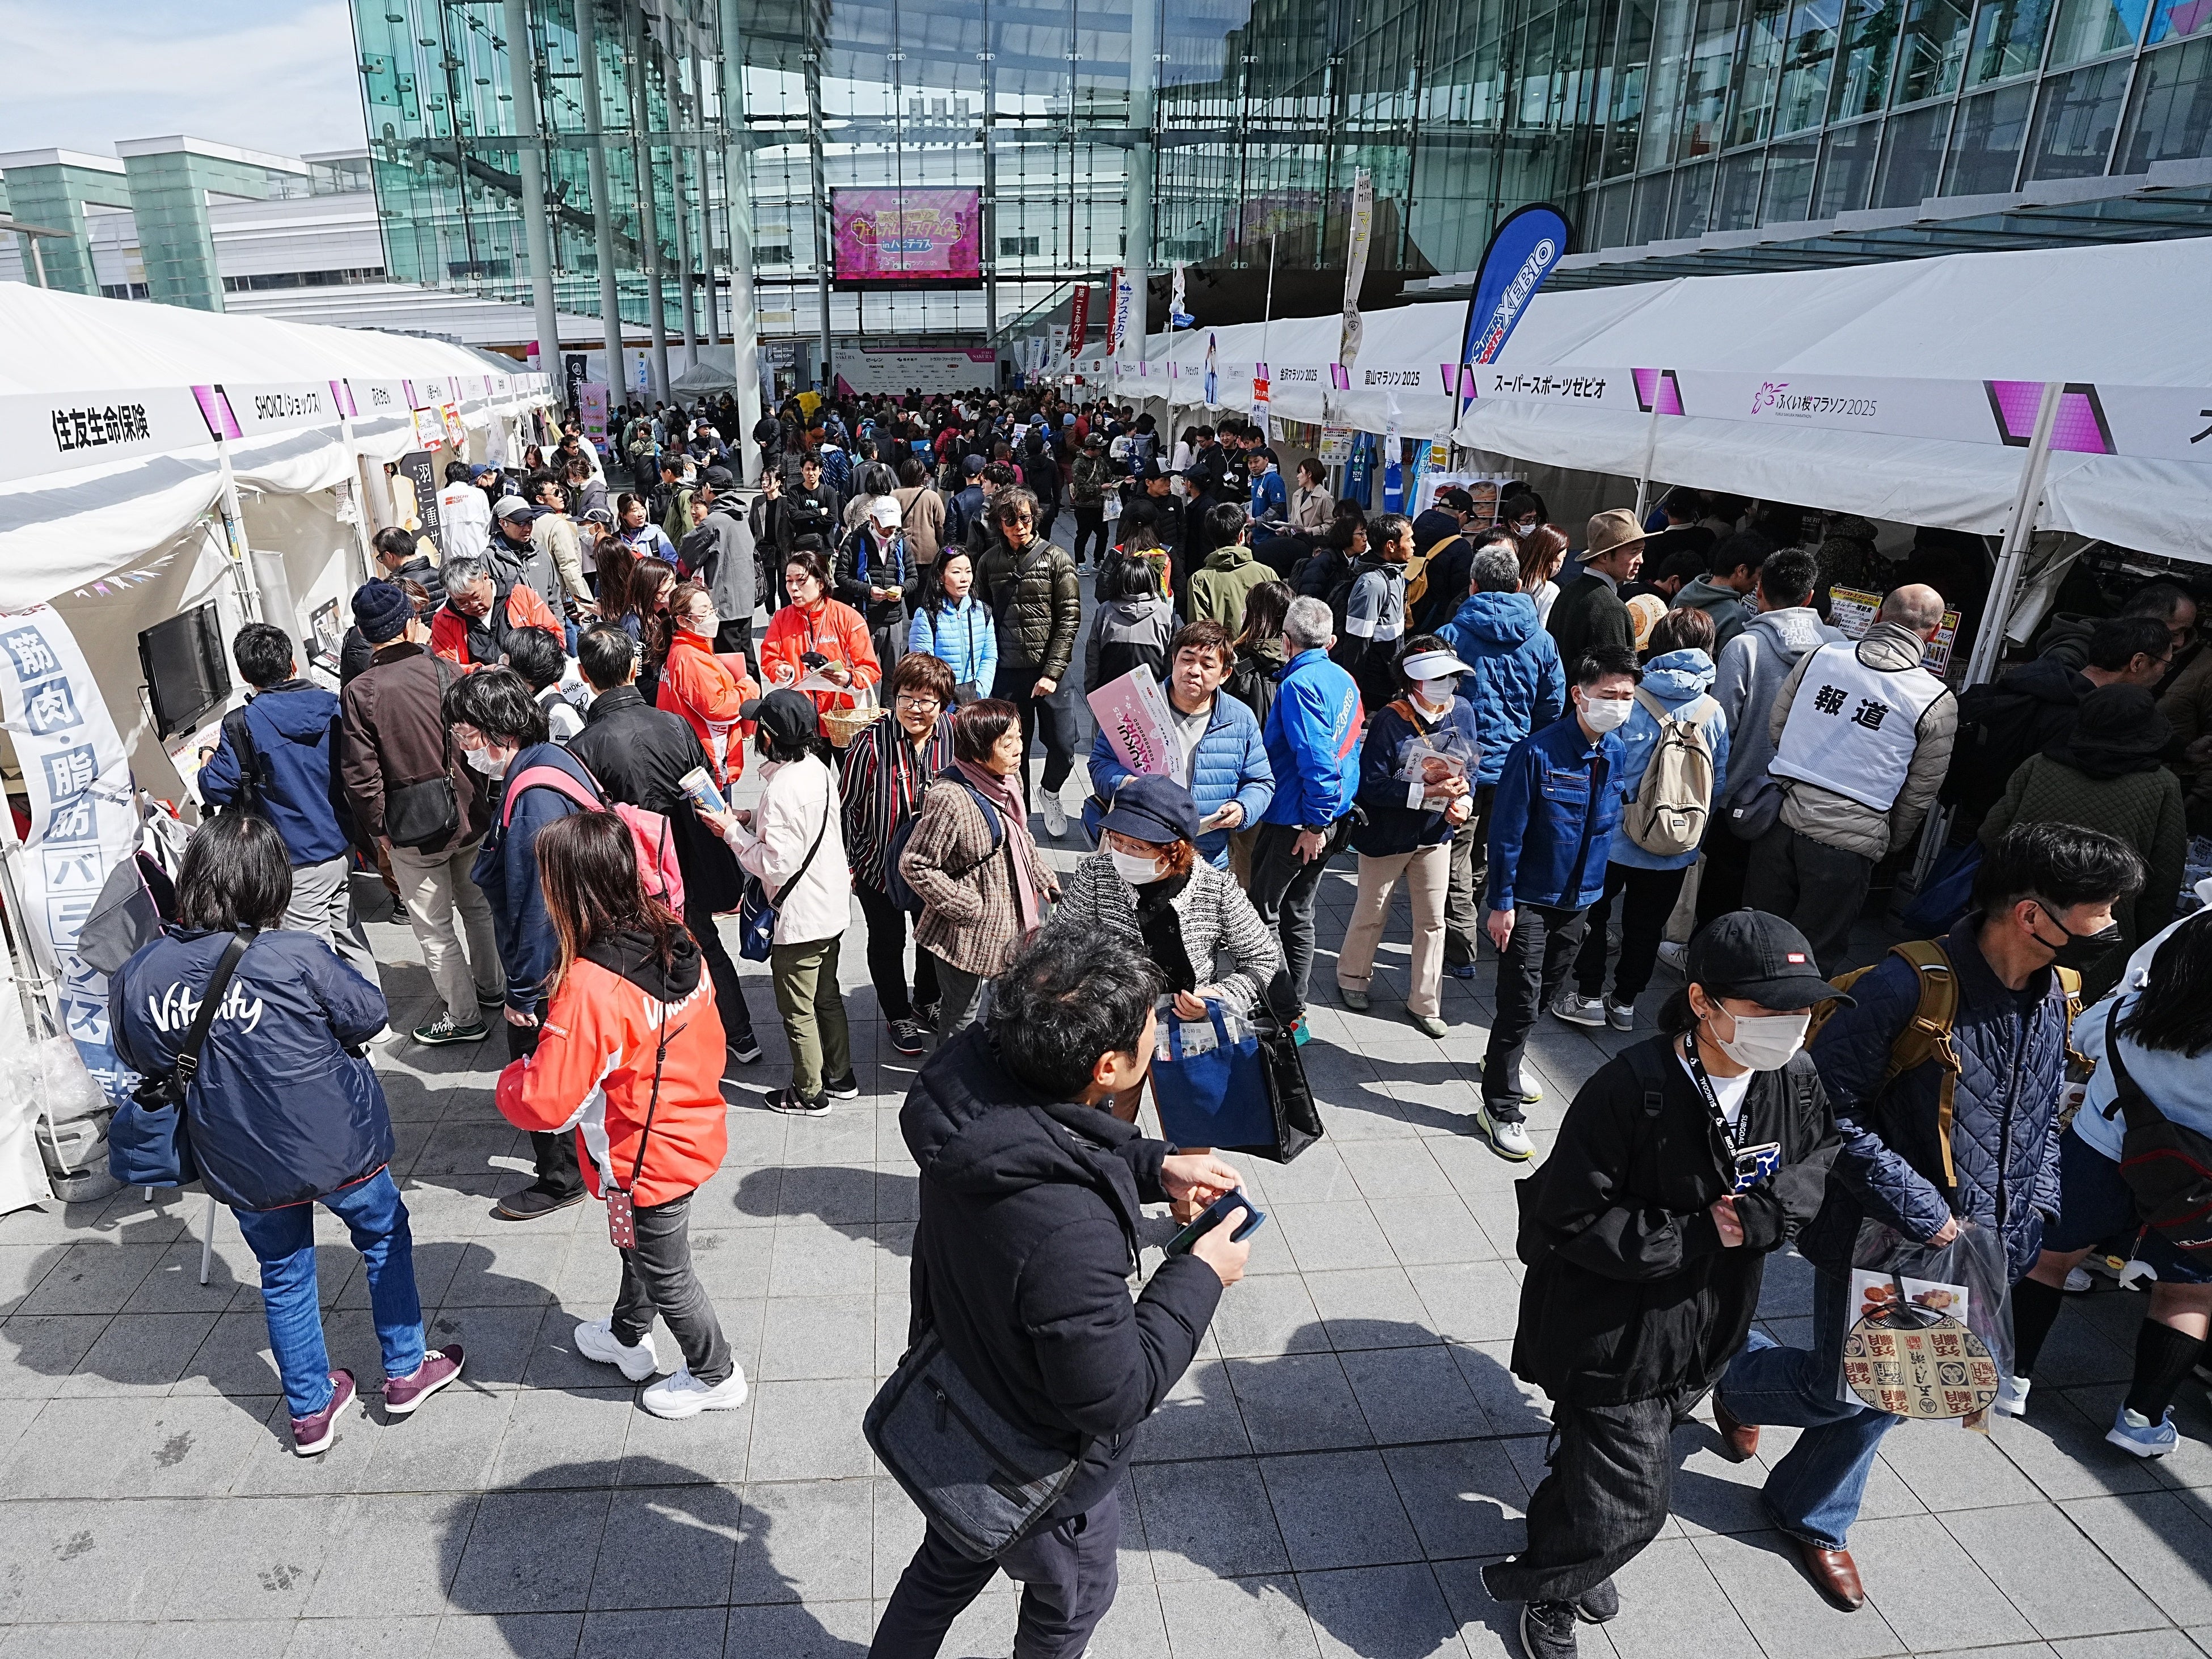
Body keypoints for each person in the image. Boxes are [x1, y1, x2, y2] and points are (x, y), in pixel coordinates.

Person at [1714, 822, 2142, 1612]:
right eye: (2101, 909)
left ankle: (1810, 1512)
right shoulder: (1907, 986)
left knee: (1896, 1387)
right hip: (1881, 1229)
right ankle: (1733, 1374)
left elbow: (2043, 1111)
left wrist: (2037, 1206)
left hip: (1982, 1242)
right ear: (2031, 915)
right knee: (1843, 1388)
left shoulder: (2058, 989)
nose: (2111, 925)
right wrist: (1925, 1210)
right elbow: (1826, 1107)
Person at [873, 929, 1252, 1659]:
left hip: (958, 1389)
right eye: (1148, 1029)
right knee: (1070, 1604)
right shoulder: (1069, 1233)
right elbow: (1112, 1394)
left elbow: (1048, 1139)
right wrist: (1202, 1272)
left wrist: (1153, 1166)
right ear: (1107, 1068)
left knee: (942, 1570)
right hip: (1040, 1466)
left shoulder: (966, 1081)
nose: (1155, 1035)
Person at [1488, 909, 1841, 1656]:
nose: (1789, 1027)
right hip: (1615, 1331)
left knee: (1601, 1471)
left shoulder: (1794, 1078)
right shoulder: (1629, 1088)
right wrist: (1703, 1231)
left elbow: (1820, 1155)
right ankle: (1550, 1586)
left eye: (1802, 1009)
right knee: (1635, 1508)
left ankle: (1578, 1528)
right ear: (1703, 1002)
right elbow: (1569, 1218)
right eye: (1767, 1009)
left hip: (1714, 1323)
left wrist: (1769, 1214)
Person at [109, 813, 462, 1455]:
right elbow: (368, 1014)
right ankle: (406, 1368)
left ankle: (309, 1410)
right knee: (384, 1236)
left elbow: (139, 1054)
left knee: (283, 1270)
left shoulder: (144, 971)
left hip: (237, 1150)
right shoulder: (296, 955)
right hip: (336, 1138)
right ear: (272, 884)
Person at [493, 811, 746, 1417]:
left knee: (668, 1273)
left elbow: (548, 1103)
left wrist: (511, 1078)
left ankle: (715, 1373)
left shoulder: (590, 985)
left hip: (641, 1153)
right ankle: (628, 1336)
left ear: (568, 888)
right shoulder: (671, 935)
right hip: (685, 1125)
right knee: (641, 1250)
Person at [2004, 908, 2212, 1451]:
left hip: (2100, 1156)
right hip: (2195, 1187)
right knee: (2185, 1295)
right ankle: (2141, 1420)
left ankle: (2011, 1378)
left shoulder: (2131, 1012)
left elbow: (2082, 1036)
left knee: (2049, 1260)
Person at [567, 624, 763, 1075]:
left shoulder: (583, 747)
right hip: (689, 861)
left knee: (641, 959)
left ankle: (670, 1046)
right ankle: (741, 1034)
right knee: (706, 944)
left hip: (631, 874)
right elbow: (705, 790)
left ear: (585, 674)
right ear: (634, 668)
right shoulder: (673, 724)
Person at [1744, 584, 1958, 975]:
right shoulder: (1935, 699)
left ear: (1878, 615)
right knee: (1811, 955)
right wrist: (1886, 839)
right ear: (1936, 631)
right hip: (1848, 845)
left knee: (1759, 934)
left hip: (1780, 819)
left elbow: (1778, 727)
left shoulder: (1822, 656)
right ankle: (1795, 1011)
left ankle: (1735, 1005)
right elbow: (1920, 791)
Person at [1477, 647, 1639, 1161]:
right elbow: (1506, 835)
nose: (1618, 704)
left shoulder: (1615, 752)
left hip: (1581, 898)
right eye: (1609, 694)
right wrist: (1501, 903)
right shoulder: (1537, 753)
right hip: (1529, 898)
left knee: (1548, 990)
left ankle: (1504, 1058)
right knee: (1520, 999)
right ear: (1579, 695)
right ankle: (1500, 1107)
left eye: (1627, 696)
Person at [1046, 775, 1280, 1119]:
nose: (1121, 853)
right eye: (1116, 840)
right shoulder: (1095, 875)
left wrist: (1217, 997)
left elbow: (1262, 955)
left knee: (1191, 1123)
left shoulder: (1214, 887)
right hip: (1115, 1023)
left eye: (1137, 847)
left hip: (1188, 1027)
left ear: (1173, 850)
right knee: (1107, 1121)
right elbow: (1060, 946)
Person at [339, 580, 504, 1045]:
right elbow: (479, 743)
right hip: (468, 813)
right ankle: (493, 988)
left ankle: (464, 1015)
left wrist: (380, 831)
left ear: (364, 634)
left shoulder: (360, 691)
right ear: (411, 624)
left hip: (411, 827)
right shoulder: (446, 670)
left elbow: (361, 774)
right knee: (478, 908)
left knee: (434, 929)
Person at [1557, 609, 1731, 1033]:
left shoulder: (1628, 699)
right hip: (1674, 841)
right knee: (1647, 927)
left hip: (1613, 835)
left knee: (1594, 914)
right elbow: (1719, 781)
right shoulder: (1713, 711)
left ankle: (1587, 997)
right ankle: (1625, 1003)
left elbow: (1599, 763)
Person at [699, 690, 855, 1113]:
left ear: (769, 737)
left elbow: (775, 864)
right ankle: (841, 1076)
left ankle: (809, 1093)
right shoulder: (817, 769)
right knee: (827, 996)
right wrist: (749, 818)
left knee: (798, 1010)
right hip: (831, 906)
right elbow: (801, 828)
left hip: (800, 919)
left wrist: (732, 832)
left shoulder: (782, 788)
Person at [1978, 683, 2185, 999]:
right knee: (2077, 1008)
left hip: (2023, 915)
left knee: (1997, 993)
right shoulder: (2162, 787)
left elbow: (1991, 833)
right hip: (2102, 927)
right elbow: (2164, 878)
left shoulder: (2039, 766)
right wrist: (2147, 944)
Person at [195, 621, 374, 981]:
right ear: (292, 663)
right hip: (341, 841)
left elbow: (214, 788)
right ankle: (374, 1007)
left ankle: (342, 1015)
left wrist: (206, 756)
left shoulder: (243, 723)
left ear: (245, 676)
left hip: (294, 858)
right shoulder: (333, 704)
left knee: (311, 955)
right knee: (348, 934)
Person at [1336, 639, 1479, 1037]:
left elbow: (1471, 767)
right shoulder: (1389, 720)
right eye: (1436, 677)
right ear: (1412, 680)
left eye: (1450, 677)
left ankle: (1425, 1002)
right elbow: (1372, 785)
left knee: (1433, 921)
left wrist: (1463, 800)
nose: (1445, 684)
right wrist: (1426, 792)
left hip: (1435, 833)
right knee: (1372, 910)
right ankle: (1353, 978)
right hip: (1387, 834)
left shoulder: (1463, 711)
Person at [1437, 540, 1567, 977]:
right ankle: (1480, 920)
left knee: (1457, 850)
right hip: (1518, 764)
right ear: (1517, 585)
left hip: (1461, 763)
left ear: (1473, 584)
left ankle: (1460, 945)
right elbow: (1552, 705)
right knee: (1498, 847)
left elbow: (1434, 700)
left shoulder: (1452, 636)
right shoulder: (1542, 640)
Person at [897, 698, 1061, 1038]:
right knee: (962, 1015)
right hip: (966, 932)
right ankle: (951, 1070)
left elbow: (1019, 835)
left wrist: (1041, 873)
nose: (1019, 748)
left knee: (1008, 1007)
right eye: (1007, 742)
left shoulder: (1008, 780)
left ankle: (996, 1063)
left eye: (1019, 736)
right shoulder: (950, 798)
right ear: (979, 749)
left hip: (1014, 921)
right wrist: (965, 905)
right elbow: (915, 864)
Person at [1698, 548, 1839, 925]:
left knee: (1721, 896)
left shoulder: (1744, 647)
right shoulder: (1837, 647)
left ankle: (1709, 957)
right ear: (1810, 597)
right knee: (1776, 903)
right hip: (1808, 799)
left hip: (1740, 798)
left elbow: (1721, 728)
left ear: (1758, 590)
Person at [1942, 614, 2173, 839]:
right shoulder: (2086, 719)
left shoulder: (2038, 680)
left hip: (1974, 818)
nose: (2163, 673)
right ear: (2137, 662)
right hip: (2016, 840)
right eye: (2166, 665)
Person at [1248, 596, 1363, 1036]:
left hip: (1299, 820)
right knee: (1298, 910)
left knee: (1263, 911)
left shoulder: (1299, 686)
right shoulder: (1343, 678)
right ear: (1330, 641)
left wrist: (1314, 824)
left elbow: (1318, 761)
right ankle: (1295, 1004)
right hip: (1329, 816)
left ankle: (1283, 1009)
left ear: (1286, 641)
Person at [1083, 620, 1273, 872]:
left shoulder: (1240, 718)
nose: (1194, 671)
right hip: (1141, 851)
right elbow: (1100, 764)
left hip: (1207, 857)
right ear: (1174, 660)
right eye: (1187, 659)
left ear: (1225, 674)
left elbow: (1261, 782)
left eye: (1207, 665)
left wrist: (1242, 808)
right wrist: (1129, 783)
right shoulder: (1136, 705)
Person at [842, 652, 958, 1056]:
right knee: (887, 941)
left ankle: (926, 1000)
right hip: (878, 865)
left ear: (943, 703)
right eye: (906, 697)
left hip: (935, 866)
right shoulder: (870, 743)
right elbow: (848, 806)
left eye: (926, 700)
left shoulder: (955, 737)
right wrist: (853, 862)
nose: (914, 708)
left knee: (931, 938)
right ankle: (897, 1013)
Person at [977, 488, 1083, 830]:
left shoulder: (1057, 558)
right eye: (1010, 520)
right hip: (1007, 672)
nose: (1019, 526)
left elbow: (1069, 618)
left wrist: (1052, 671)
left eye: (1025, 518)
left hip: (1050, 671)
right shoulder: (988, 561)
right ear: (999, 523)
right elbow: (980, 616)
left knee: (1064, 745)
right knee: (1010, 751)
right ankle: (1017, 814)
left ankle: (1050, 792)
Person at [758, 546, 883, 715]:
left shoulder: (848, 618)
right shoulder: (781, 618)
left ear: (821, 583)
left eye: (801, 580)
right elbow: (769, 659)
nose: (793, 587)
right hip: (798, 715)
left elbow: (870, 669)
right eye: (789, 580)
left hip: (840, 716)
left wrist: (848, 679)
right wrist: (780, 670)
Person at [676, 465, 759, 663]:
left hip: (725, 603)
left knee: (730, 661)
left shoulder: (714, 522)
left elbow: (688, 555)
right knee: (747, 656)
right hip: (746, 599)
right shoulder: (741, 515)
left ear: (708, 488)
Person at [1333, 510, 1413, 712]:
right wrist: (1353, 695)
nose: (1413, 545)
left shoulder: (1396, 573)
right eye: (1409, 539)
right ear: (1391, 546)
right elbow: (1356, 646)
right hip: (1373, 691)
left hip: (1390, 681)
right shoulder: (1372, 585)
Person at [430, 553, 564, 672]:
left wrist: (526, 659)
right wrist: (480, 671)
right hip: (483, 687)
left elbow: (556, 638)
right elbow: (447, 669)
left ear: (485, 578)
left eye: (477, 597)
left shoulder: (521, 595)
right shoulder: (444, 620)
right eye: (462, 602)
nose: (473, 606)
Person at [1546, 511, 1645, 669]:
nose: (1640, 560)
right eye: (1634, 552)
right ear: (1604, 557)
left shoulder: (1568, 591)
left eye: (1641, 551)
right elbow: (1615, 676)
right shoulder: (1611, 608)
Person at [1082, 547, 1179, 694]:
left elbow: (1093, 656)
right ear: (1149, 581)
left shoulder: (1105, 610)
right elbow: (1172, 657)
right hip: (1152, 693)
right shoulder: (1164, 612)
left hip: (1110, 691)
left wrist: (1092, 691)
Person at [835, 494, 913, 676]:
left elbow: (912, 577)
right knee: (862, 674)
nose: (889, 531)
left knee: (893, 676)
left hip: (894, 619)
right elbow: (840, 576)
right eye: (885, 526)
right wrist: (868, 591)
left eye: (893, 527)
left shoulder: (900, 542)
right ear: (873, 519)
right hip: (864, 619)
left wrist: (902, 589)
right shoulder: (854, 541)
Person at [1187, 501, 1274, 642]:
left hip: (1221, 653)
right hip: (1264, 653)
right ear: (1241, 536)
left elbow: (1200, 634)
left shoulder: (1199, 580)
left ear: (1211, 537)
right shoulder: (1267, 573)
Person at [1669, 531, 1766, 650]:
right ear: (1742, 570)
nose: (1759, 581)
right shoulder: (1736, 617)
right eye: (1759, 574)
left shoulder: (1684, 593)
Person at [501, 622, 585, 742]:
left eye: (505, 661)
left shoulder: (560, 715)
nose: (500, 667)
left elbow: (564, 755)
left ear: (528, 673)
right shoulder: (519, 701)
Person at [1069, 432, 1113, 567]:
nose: (1102, 450)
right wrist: (1101, 488)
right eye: (1099, 448)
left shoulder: (1100, 461)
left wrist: (1123, 479)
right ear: (1091, 449)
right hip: (1084, 507)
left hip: (1100, 505)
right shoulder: (1079, 464)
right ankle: (1080, 563)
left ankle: (1099, 560)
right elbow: (1081, 487)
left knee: (1103, 534)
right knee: (1083, 535)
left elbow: (1110, 477)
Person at [1518, 522, 1571, 628]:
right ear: (1551, 555)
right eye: (1563, 557)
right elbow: (1544, 628)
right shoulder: (1550, 590)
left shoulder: (1513, 579)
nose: (1561, 564)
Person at [437, 461, 492, 562]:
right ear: (468, 478)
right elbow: (488, 523)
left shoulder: (439, 497)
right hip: (477, 554)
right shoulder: (479, 494)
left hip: (451, 558)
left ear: (448, 477)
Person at [1287, 458, 1334, 535]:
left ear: (1309, 474)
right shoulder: (1297, 495)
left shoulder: (1325, 497)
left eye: (1300, 472)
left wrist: (1313, 530)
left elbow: (1331, 524)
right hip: (1296, 540)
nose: (1298, 476)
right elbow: (1294, 521)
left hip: (1314, 541)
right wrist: (1285, 529)